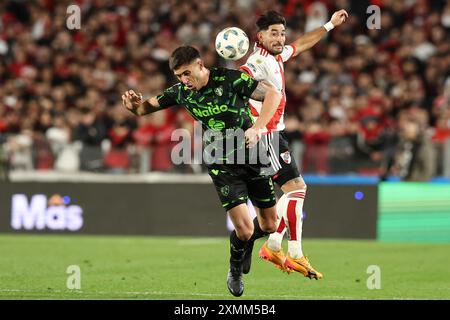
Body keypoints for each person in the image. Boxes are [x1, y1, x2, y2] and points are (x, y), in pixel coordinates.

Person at [122, 45, 282, 297]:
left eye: (187, 73)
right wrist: (134, 107)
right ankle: (235, 268)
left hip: (254, 154)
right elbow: (144, 109)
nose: (184, 81)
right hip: (221, 161)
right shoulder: (181, 92)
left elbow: (273, 94)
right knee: (244, 228)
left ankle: (248, 242)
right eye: (179, 77)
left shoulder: (231, 80)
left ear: (200, 65)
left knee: (271, 225)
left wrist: (259, 127)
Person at [240, 9, 348, 279]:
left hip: (275, 135)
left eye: (282, 33)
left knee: (291, 194)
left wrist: (329, 25)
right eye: (273, 33)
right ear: (260, 36)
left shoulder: (277, 55)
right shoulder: (256, 61)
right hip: (265, 137)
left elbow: (301, 45)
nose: (280, 38)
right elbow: (243, 75)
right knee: (297, 189)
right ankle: (295, 253)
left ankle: (272, 246)